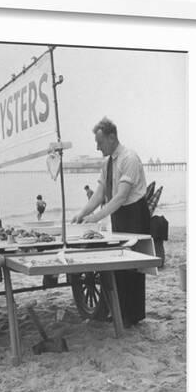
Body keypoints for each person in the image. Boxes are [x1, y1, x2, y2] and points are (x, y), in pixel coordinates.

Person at [72, 117, 149, 327]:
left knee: (133, 265)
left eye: (100, 142)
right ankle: (119, 310)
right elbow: (99, 195)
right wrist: (82, 214)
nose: (97, 146)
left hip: (134, 213)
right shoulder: (107, 163)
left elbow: (121, 196)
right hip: (119, 213)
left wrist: (96, 217)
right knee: (118, 262)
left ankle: (132, 315)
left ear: (112, 137)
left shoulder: (129, 158)